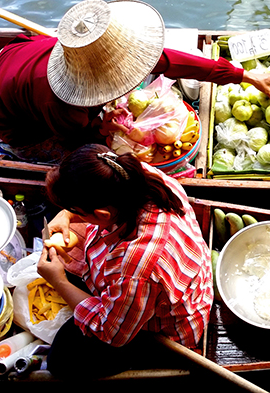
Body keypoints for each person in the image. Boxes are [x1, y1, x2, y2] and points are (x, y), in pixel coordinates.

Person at [0, 0, 270, 164]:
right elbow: (79, 136)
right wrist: (103, 129)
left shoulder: (100, 51)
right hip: (8, 122)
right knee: (86, 158)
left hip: (13, 58)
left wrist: (245, 75)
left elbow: (170, 61)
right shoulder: (61, 103)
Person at [36, 143, 213, 378]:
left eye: (74, 208)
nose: (70, 212)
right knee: (54, 225)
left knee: (61, 361)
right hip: (161, 279)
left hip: (166, 327)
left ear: (102, 215)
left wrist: (59, 281)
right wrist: (66, 213)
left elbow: (112, 333)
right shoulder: (136, 174)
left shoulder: (135, 270)